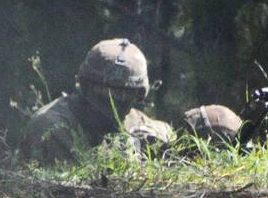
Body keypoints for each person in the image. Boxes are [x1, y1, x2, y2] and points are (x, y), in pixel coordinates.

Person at [23, 39, 173, 163]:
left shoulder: (133, 120)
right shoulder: (52, 126)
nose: (116, 100)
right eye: (106, 91)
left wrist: (156, 134)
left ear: (138, 94)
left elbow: (167, 133)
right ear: (86, 86)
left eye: (126, 93)